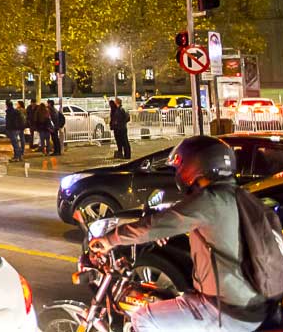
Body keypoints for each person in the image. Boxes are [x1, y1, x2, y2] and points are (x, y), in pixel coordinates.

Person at [89, 136, 271, 332]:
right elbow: (184, 220)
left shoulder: (208, 201)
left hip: (226, 310)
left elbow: (152, 225)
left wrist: (109, 240)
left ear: (195, 167)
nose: (178, 173)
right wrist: (165, 228)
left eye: (180, 167)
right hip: (251, 304)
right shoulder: (239, 197)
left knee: (143, 317)